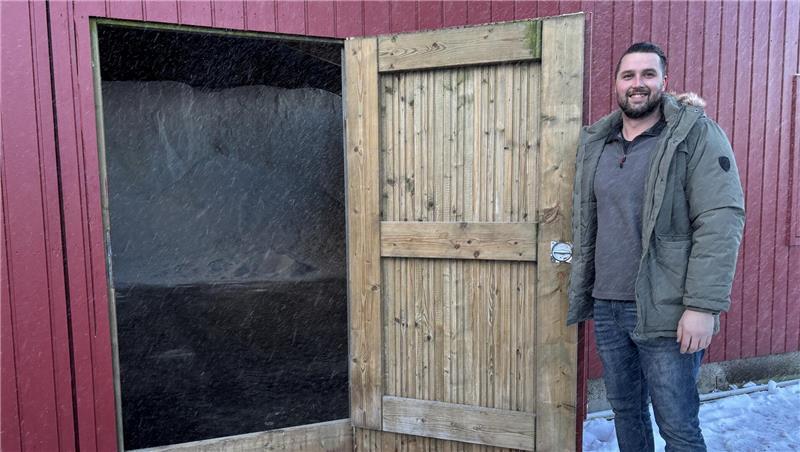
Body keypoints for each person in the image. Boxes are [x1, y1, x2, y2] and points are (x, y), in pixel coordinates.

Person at [567, 42, 745, 452]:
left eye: (648, 75)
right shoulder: (599, 142)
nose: (638, 84)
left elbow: (720, 218)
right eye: (628, 76)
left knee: (677, 424)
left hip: (668, 308)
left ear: (665, 81)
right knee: (627, 413)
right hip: (609, 305)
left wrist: (702, 306)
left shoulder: (694, 134)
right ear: (616, 84)